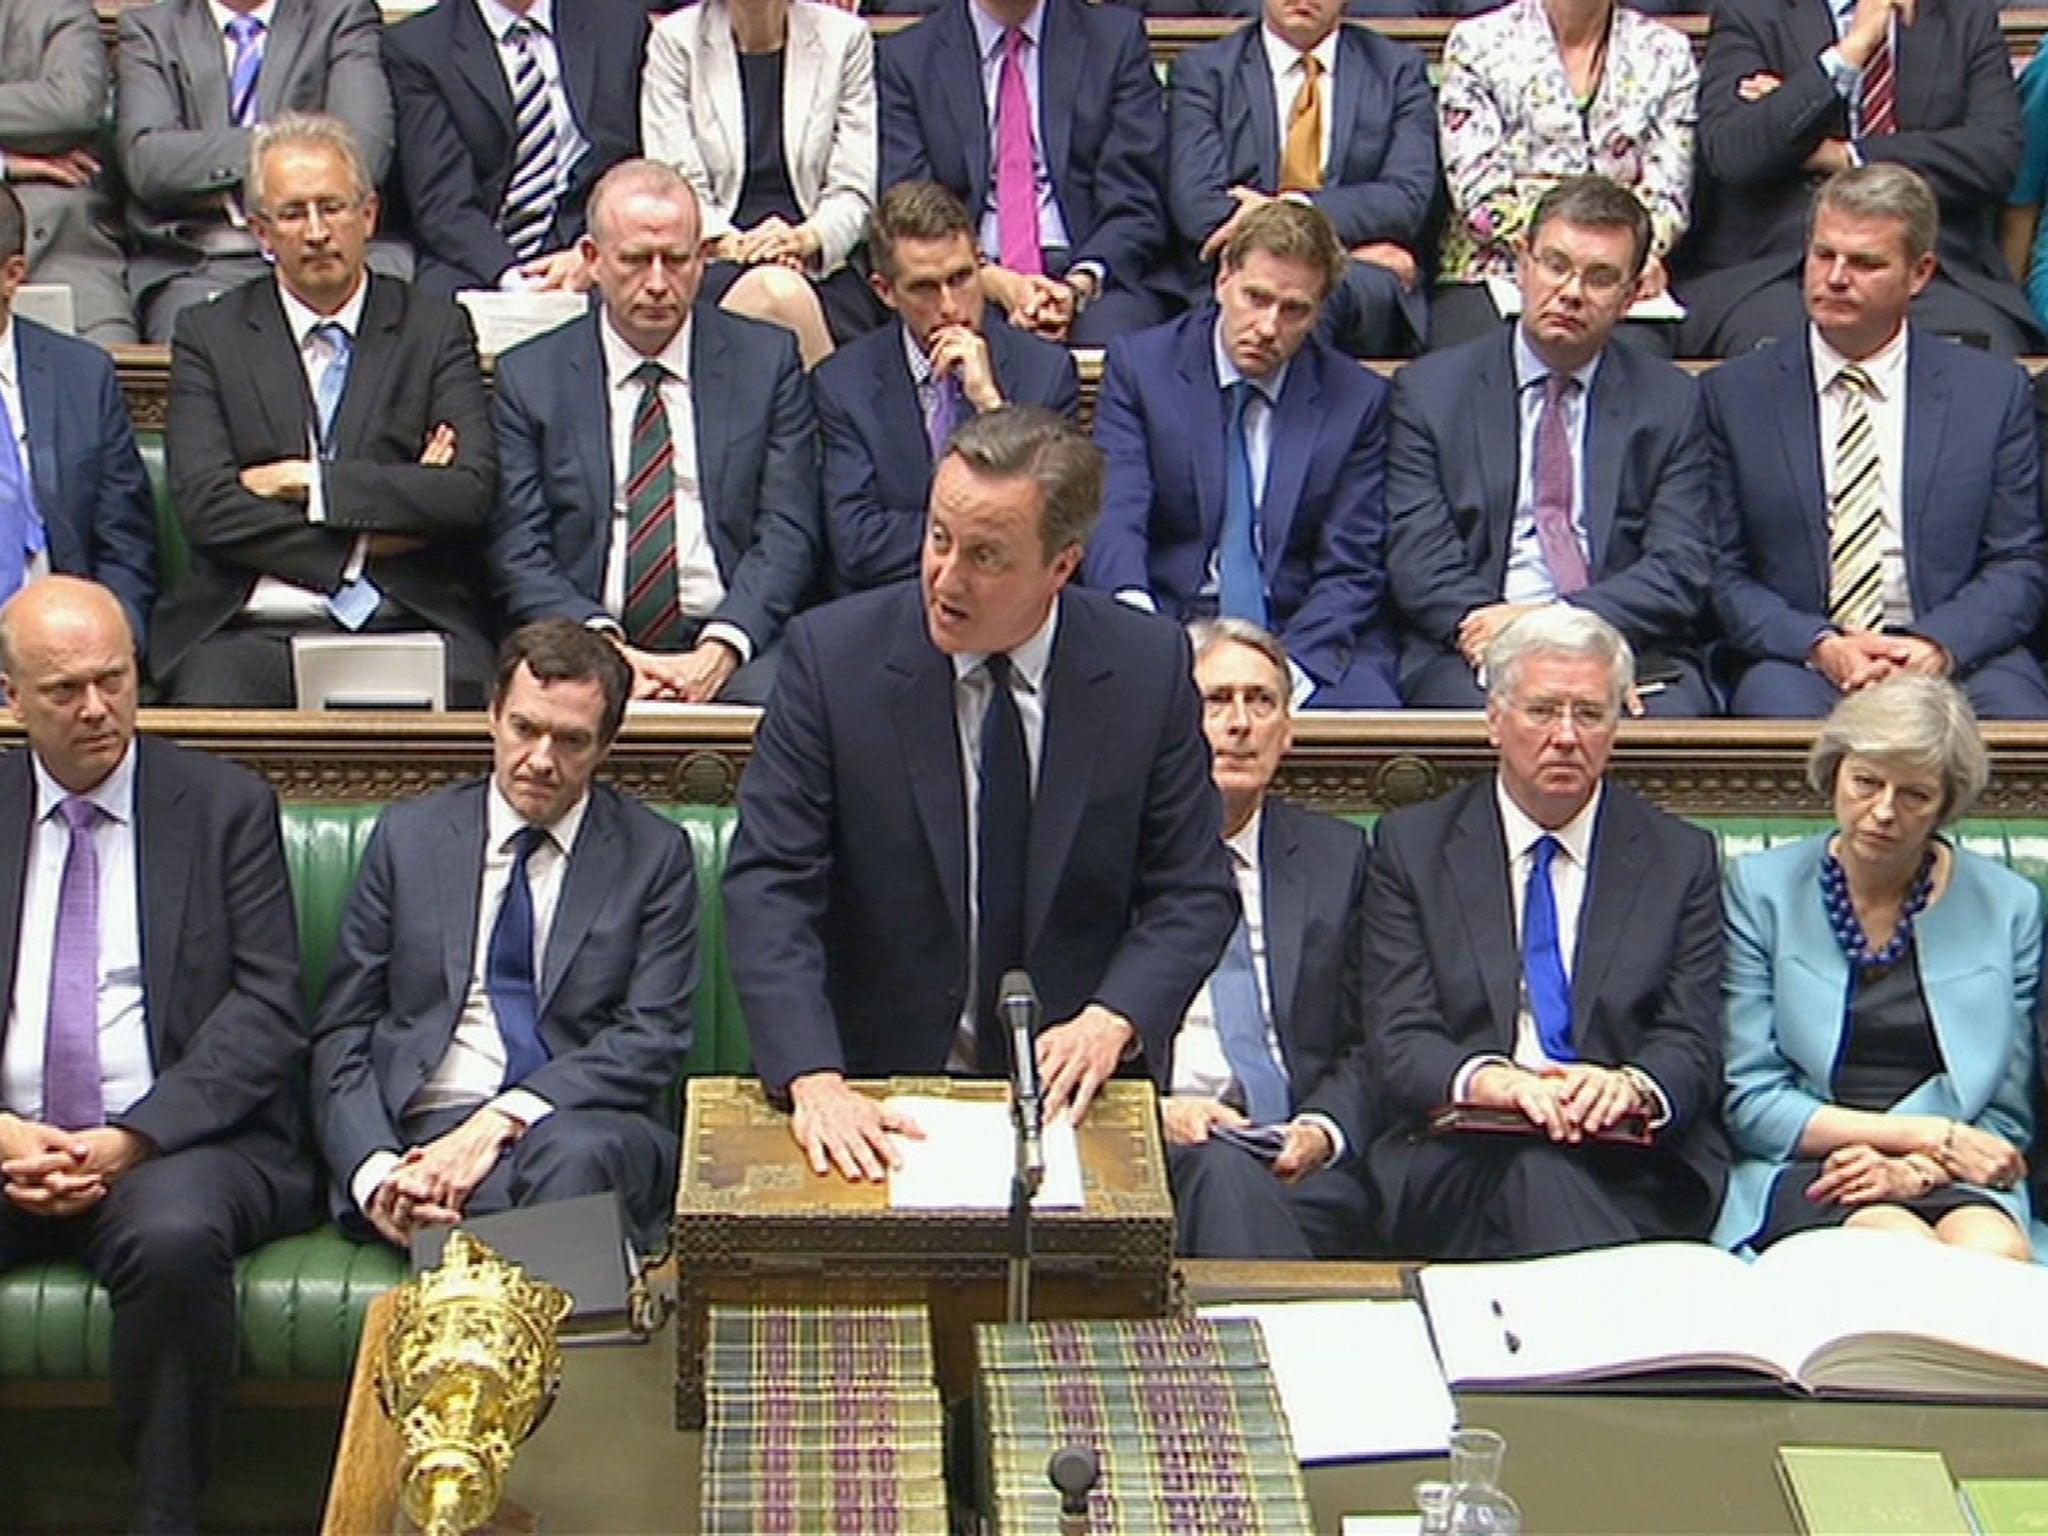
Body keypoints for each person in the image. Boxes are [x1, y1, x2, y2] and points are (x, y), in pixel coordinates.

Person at [724, 406, 1237, 1181]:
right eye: (938, 538)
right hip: (874, 1095)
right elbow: (771, 887)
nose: (946, 576)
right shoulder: (833, 662)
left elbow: (1193, 891)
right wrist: (814, 1079)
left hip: (1077, 1098)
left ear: (1062, 565)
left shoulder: (1145, 667)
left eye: (987, 557)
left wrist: (1112, 1021)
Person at [0, 576, 318, 1533]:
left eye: (115, 678)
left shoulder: (223, 806)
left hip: (180, 1141)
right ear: (11, 697)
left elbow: (269, 1008)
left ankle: (164, 1515)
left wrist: (133, 1136)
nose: (97, 709)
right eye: (65, 691)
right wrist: (8, 1135)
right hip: (11, 1137)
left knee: (176, 1239)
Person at [311, 620, 698, 1253]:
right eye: (524, 729)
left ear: (607, 745)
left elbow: (652, 1036)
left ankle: (457, 1270)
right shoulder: (408, 839)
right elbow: (343, 1031)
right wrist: (379, 1174)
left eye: (571, 740)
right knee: (526, 1204)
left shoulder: (654, 855)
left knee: (572, 1161)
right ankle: (564, 1304)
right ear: (493, 715)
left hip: (580, 1121)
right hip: (426, 1124)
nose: (541, 761)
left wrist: (502, 1118)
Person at [1360, 606, 1728, 1259]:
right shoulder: (1412, 847)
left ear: (1615, 727)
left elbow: (1691, 1040)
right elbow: (1399, 1037)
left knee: (1542, 1175)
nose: (1565, 736)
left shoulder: (1680, 857)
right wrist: (1492, 1082)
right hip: (1458, 1155)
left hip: (1625, 1162)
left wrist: (1632, 1084)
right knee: (1532, 1168)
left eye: (1588, 714)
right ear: (1495, 721)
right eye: (1542, 712)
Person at [153, 113, 499, 708]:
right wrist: (365, 538)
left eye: (332, 208)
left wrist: (305, 483)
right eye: (292, 214)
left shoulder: (435, 327)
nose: (316, 232)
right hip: (252, 623)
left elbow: (467, 493)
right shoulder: (209, 333)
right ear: (262, 232)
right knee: (206, 698)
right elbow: (206, 507)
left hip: (408, 613)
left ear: (368, 216)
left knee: (473, 690)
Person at [1704, 165, 2048, 721]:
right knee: (1774, 715)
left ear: (1920, 273)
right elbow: (1722, 570)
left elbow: (2018, 562)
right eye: (1824, 255)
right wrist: (1822, 644)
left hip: (1958, 653)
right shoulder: (1735, 394)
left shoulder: (1991, 392)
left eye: (1865, 263)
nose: (1836, 278)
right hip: (1801, 658)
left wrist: (1935, 645)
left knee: (2020, 720)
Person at [1716, 676, 2036, 1262]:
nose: (1883, 812)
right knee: (1895, 1253)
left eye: (1914, 795)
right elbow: (1752, 1104)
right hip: (1815, 1162)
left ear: (1946, 803)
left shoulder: (2010, 907)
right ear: (1834, 771)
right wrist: (1920, 1136)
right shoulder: (1762, 890)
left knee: (1996, 1259)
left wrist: (1917, 1168)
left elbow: (2007, 1115)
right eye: (1866, 782)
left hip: (1949, 1170)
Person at [489, 160, 820, 706]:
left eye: (677, 260)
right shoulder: (531, 378)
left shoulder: (766, 361)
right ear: (592, 260)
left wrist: (722, 648)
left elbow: (788, 532)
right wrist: (603, 649)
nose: (659, 284)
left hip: (736, 637)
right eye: (637, 261)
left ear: (703, 258)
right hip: (580, 637)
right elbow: (518, 550)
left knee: (798, 696)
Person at [1387, 176, 1715, 715]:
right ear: (1522, 262)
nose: (1570, 292)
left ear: (1632, 295)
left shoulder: (1671, 401)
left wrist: (1554, 621)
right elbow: (1419, 561)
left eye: (1600, 277)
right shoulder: (1430, 392)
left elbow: (1680, 567)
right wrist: (1508, 639)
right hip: (1472, 643)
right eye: (1555, 265)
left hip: (1623, 639)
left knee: (1670, 715)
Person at [1086, 200, 1397, 708]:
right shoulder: (1143, 368)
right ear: (1223, 277)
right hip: (1172, 621)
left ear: (1320, 310)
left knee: (1372, 709)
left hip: (1295, 629)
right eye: (1256, 297)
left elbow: (1352, 566)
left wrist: (1284, 677)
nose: (1269, 327)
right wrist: (1145, 636)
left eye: (1294, 309)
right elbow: (1117, 518)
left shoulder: (1355, 400)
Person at [1164, 619, 1373, 1259]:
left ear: (1288, 731)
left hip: (1302, 1161)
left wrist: (1323, 1128)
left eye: (1262, 701)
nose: (1240, 724)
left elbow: (1378, 1034)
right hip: (1165, 1149)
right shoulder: (1107, 857)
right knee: (1221, 1173)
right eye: (1216, 701)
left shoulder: (1339, 857)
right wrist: (1156, 1112)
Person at [1684, 0, 2039, 357]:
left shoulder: (1964, 14)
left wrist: (1843, 155)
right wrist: (1848, 54)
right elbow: (1735, 152)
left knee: (1981, 366)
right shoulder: (1754, 11)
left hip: (1933, 269)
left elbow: (1996, 155)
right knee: (1768, 355)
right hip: (1784, 268)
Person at [817, 180, 1076, 595]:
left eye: (961, 278)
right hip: (895, 608)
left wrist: (990, 406)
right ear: (885, 291)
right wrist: (989, 539)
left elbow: (1058, 524)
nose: (950, 306)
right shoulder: (843, 384)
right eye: (924, 287)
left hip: (1009, 605)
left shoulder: (1044, 372)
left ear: (980, 264)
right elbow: (858, 543)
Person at [877, 0, 1174, 345]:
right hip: (963, 272)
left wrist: (1076, 286)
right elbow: (909, 205)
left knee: (1120, 343)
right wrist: (993, 280)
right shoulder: (907, 57)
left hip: (1091, 270)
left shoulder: (1114, 40)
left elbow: (1135, 200)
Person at [1165, 0, 1436, 358]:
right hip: (1248, 268)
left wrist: (1295, 208)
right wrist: (1336, 247)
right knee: (1275, 291)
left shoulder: (1397, 70)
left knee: (1308, 293)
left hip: (1359, 285)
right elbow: (1198, 206)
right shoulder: (1205, 72)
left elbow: (1406, 200)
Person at [116, 0, 395, 342]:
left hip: (332, 251)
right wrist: (278, 143)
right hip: (204, 261)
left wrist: (206, 160)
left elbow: (365, 152)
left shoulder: (340, 15)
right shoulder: (152, 29)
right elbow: (149, 163)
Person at [1429, 0, 1695, 350]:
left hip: (1617, 270)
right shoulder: (1477, 42)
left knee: (1639, 363)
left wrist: (1630, 255)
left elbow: (1668, 193)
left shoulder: (1667, 52)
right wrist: (1563, 251)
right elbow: (1479, 192)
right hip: (1495, 266)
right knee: (1480, 364)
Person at [642, 0, 878, 367]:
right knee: (776, 292)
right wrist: (740, 245)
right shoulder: (675, 42)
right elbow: (676, 184)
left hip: (820, 262)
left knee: (783, 293)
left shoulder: (844, 38)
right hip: (714, 256)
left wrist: (802, 240)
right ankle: (833, 422)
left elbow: (854, 190)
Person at [383, 0, 647, 298]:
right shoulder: (420, 45)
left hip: (591, 250)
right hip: (475, 258)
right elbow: (442, 201)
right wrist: (515, 277)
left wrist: (591, 251)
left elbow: (631, 162)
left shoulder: (619, 24)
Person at [0, 184, 157, 644]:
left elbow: (125, 547)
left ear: (12, 276)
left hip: (66, 654)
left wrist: (110, 642)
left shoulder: (82, 375)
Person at [0, 0, 134, 345]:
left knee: (109, 367)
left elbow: (72, 106)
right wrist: (6, 164)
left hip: (66, 255)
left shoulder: (57, 10)